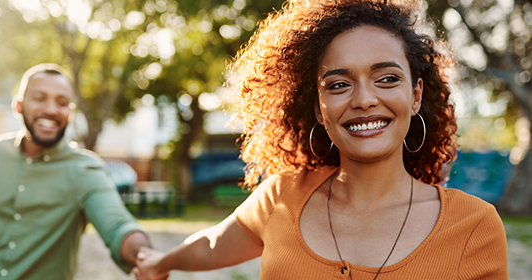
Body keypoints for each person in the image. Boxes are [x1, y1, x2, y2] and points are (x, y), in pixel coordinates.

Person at [132, 0, 509, 279]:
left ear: (415, 95)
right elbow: (212, 245)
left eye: (387, 79)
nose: (363, 100)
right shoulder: (282, 198)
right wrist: (159, 264)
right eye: (339, 85)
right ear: (317, 108)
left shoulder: (474, 226)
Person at [0, 63, 151, 279]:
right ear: (18, 106)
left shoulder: (86, 170)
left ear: (70, 112)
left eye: (62, 102)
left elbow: (117, 225)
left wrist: (144, 256)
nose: (51, 110)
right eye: (39, 98)